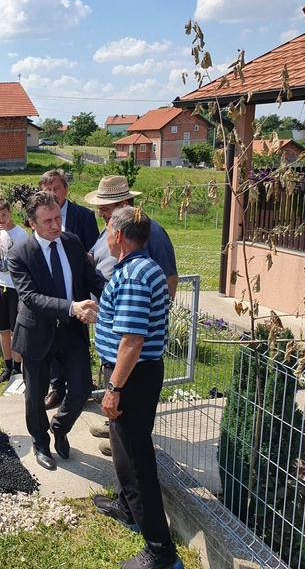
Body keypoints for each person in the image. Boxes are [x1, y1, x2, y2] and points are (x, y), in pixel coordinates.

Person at [92, 205, 182, 569]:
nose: (106, 236)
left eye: (108, 229)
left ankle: (160, 551)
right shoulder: (145, 268)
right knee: (126, 450)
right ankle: (128, 509)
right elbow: (128, 323)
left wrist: (113, 388)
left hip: (130, 376)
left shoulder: (131, 276)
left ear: (118, 236)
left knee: (135, 461)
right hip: (138, 373)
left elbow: (132, 340)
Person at [8, 191, 106, 471]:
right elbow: (30, 297)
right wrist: (72, 306)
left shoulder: (72, 242)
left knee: (81, 388)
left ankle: (60, 428)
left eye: (58, 218)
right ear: (32, 223)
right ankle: (40, 443)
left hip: (72, 332)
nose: (55, 225)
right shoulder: (20, 254)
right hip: (37, 333)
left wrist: (112, 295)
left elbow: (90, 278)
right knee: (35, 395)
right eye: (48, 220)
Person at [84, 175, 179, 454]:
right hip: (114, 321)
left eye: (106, 207)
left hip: (132, 331)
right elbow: (97, 258)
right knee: (115, 387)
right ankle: (116, 427)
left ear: (125, 204)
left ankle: (124, 442)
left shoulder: (153, 233)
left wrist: (151, 317)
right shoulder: (108, 229)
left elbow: (170, 278)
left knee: (132, 437)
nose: (100, 212)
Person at [38, 169, 99, 410]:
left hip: (78, 293)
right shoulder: (38, 216)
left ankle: (80, 387)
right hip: (52, 294)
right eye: (47, 190)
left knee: (77, 343)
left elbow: (94, 253)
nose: (52, 193)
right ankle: (57, 388)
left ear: (66, 189)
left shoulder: (83, 216)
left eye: (56, 188)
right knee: (53, 341)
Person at [0, 198, 28, 384]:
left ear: (10, 212)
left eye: (4, 215)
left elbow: (27, 266)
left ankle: (17, 370)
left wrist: (22, 297)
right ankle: (7, 366)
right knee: (3, 330)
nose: (1, 219)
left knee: (16, 331)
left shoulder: (20, 234)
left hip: (15, 288)